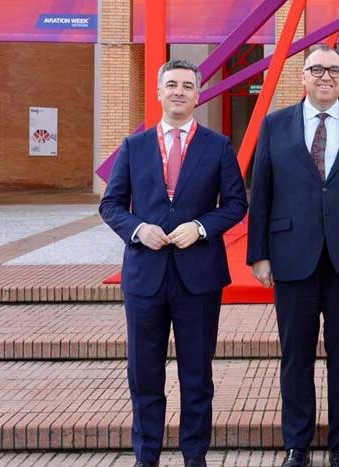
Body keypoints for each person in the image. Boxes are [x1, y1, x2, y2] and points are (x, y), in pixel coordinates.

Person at [246, 44, 339, 467]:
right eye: (317, 69)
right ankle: (298, 443)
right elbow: (263, 193)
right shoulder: (275, 125)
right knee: (296, 355)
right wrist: (259, 254)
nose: (326, 76)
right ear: (303, 76)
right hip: (292, 255)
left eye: (334, 70)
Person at [99, 59, 248, 467]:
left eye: (187, 85)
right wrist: (136, 229)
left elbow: (236, 204)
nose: (179, 91)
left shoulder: (218, 146)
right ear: (159, 92)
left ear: (198, 95)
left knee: (196, 376)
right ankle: (146, 457)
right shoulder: (134, 146)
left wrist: (201, 227)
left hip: (198, 277)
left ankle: (194, 457)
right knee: (144, 375)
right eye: (172, 84)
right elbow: (110, 204)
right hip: (145, 276)